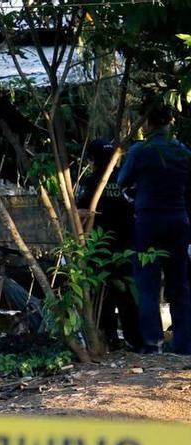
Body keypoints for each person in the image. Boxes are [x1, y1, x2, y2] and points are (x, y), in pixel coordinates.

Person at [117, 103, 191, 354]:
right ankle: (184, 343)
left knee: (147, 283)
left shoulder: (140, 150)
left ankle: (153, 343)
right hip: (179, 220)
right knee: (179, 282)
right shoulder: (183, 152)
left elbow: (121, 181)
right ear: (171, 122)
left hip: (148, 220)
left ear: (146, 123)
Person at [76, 138, 141, 351]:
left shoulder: (89, 182)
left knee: (102, 294)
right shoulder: (126, 179)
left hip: (99, 246)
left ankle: (109, 337)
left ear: (92, 160)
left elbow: (79, 213)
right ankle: (134, 339)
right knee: (127, 294)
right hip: (127, 244)